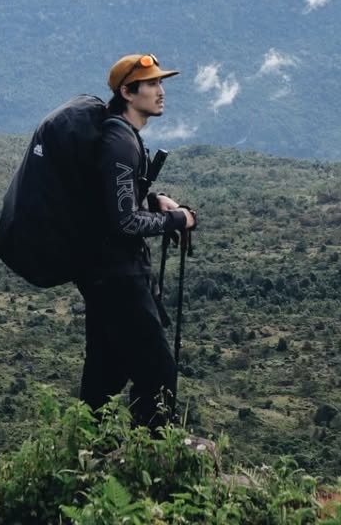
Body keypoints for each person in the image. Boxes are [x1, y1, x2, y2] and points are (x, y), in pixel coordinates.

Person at [75, 53, 196, 429]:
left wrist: (153, 200)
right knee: (158, 372)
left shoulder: (118, 136)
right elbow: (125, 221)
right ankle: (153, 451)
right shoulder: (120, 142)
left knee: (105, 374)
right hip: (120, 278)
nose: (161, 91)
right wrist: (179, 219)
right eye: (152, 84)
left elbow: (112, 200)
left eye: (160, 82)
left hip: (101, 274)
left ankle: (88, 451)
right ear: (128, 92)